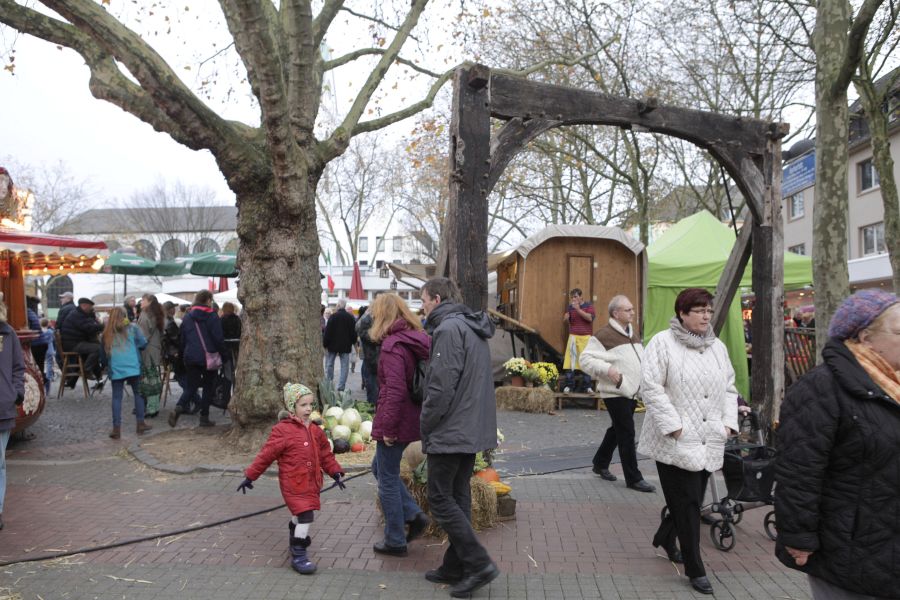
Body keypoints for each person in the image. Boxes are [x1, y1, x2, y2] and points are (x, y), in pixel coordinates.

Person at [775, 290, 900, 600]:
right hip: (848, 550)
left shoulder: (893, 384)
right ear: (865, 337)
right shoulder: (821, 388)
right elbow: (799, 471)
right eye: (899, 331)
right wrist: (798, 536)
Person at [638, 287, 738, 596]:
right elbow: (650, 387)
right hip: (675, 440)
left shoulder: (718, 347)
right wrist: (674, 427)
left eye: (709, 310)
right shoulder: (662, 343)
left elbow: (730, 387)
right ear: (682, 313)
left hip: (710, 438)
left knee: (689, 499)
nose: (706, 316)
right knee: (689, 504)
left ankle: (665, 537)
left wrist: (728, 424)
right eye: (699, 310)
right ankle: (695, 569)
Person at [419, 277, 500, 597]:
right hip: (469, 426)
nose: (422, 306)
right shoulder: (470, 326)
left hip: (451, 428)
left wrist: (426, 423)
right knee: (458, 495)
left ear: (437, 299)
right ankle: (456, 565)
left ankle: (478, 564)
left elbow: (440, 386)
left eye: (423, 300)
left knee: (440, 498)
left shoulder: (449, 329)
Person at [238, 383, 345, 575]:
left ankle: (293, 531)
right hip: (293, 483)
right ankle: (299, 554)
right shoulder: (282, 430)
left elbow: (325, 454)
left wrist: (335, 471)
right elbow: (266, 455)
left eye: (310, 404)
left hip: (312, 482)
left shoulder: (315, 430)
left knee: (299, 515)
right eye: (303, 405)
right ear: (291, 407)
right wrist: (250, 475)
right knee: (306, 516)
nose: (308, 409)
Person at [368, 293, 431, 557]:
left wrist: (388, 429)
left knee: (387, 479)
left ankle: (395, 539)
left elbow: (394, 391)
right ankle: (414, 514)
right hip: (411, 417)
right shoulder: (412, 338)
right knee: (379, 468)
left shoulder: (393, 346)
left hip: (398, 420)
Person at [579, 294, 655, 493]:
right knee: (627, 433)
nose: (633, 312)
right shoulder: (603, 335)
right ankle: (634, 478)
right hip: (616, 392)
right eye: (628, 310)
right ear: (615, 313)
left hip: (631, 391)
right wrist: (608, 370)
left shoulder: (632, 333)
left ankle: (600, 463)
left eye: (632, 309)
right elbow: (585, 360)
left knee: (617, 429)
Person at [167, 290, 228, 428]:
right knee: (208, 387)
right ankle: (204, 418)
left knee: (191, 386)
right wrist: (224, 356)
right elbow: (218, 338)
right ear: (208, 300)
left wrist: (183, 356)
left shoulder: (188, 316)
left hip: (191, 356)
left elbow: (182, 339)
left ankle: (178, 407)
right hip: (209, 357)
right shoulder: (212, 316)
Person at [99, 307, 152, 440]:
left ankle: (116, 428)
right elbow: (143, 344)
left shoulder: (106, 333)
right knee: (138, 395)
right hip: (133, 367)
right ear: (125, 316)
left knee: (117, 398)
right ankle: (140, 423)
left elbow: (103, 356)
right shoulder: (133, 328)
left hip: (116, 368)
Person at [0, 297, 26, 531]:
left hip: (2, 407)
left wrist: (16, 393)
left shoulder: (8, 334)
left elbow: (18, 367)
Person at [59, 297, 104, 383]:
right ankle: (86, 370)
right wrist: (103, 326)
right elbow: (88, 328)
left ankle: (96, 376)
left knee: (96, 347)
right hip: (73, 344)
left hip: (76, 342)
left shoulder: (81, 314)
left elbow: (90, 325)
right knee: (98, 348)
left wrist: (93, 317)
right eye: (90, 307)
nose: (91, 309)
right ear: (84, 306)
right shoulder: (76, 315)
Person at [562, 288, 595, 392]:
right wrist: (566, 319)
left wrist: (578, 309)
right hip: (573, 337)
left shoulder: (589, 306)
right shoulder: (570, 307)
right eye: (572, 297)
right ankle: (569, 386)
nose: (573, 299)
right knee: (570, 362)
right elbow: (568, 321)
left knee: (586, 362)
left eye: (575, 297)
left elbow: (590, 318)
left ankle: (588, 387)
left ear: (581, 297)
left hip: (586, 338)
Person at [137, 294, 165, 418]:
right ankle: (152, 407)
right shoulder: (155, 313)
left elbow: (143, 337)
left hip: (148, 351)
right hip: (153, 350)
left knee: (150, 380)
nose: (141, 302)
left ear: (149, 302)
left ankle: (152, 408)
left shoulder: (146, 314)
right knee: (152, 379)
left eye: (143, 300)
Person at [322, 298, 357, 392]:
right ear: (344, 306)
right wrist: (353, 341)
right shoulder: (350, 318)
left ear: (338, 305)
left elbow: (327, 332)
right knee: (344, 366)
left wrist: (325, 343)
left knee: (330, 364)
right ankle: (341, 386)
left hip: (332, 345)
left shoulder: (333, 316)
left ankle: (329, 382)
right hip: (345, 345)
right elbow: (353, 333)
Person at [356, 304, 380, 405]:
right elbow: (359, 328)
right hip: (373, 360)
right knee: (373, 390)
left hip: (373, 360)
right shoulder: (369, 319)